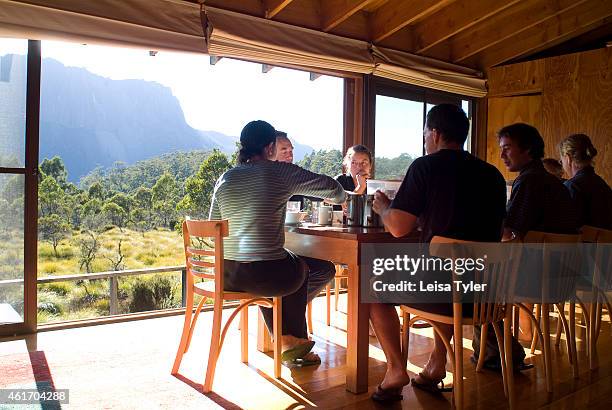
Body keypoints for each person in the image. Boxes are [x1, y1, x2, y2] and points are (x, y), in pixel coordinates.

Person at [369, 104, 508, 402]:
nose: (424, 141)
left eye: (424, 135)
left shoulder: (426, 166)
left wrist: (384, 209)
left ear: (434, 133)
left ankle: (395, 369)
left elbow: (398, 228)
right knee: (447, 275)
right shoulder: (493, 175)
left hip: (444, 294)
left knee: (371, 287)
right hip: (486, 297)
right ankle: (434, 366)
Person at [209, 120, 346, 364]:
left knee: (291, 267)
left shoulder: (226, 177)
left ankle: (287, 339)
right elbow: (334, 189)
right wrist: (342, 197)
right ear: (271, 147)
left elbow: (212, 228)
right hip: (264, 275)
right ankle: (291, 343)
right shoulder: (279, 171)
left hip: (227, 274)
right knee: (297, 268)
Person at [498, 123, 578, 345]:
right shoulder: (556, 184)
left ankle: (503, 350)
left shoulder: (529, 181)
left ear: (528, 149)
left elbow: (511, 233)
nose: (502, 154)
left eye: (507, 148)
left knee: (478, 279)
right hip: (563, 280)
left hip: (536, 280)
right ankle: (519, 339)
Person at [274, 131, 337, 304]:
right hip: (273, 254)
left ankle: (284, 304)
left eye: (291, 149)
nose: (290, 153)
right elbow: (332, 190)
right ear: (269, 151)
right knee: (323, 269)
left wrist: (332, 197)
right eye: (284, 149)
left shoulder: (294, 177)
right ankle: (285, 305)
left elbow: (320, 194)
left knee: (319, 266)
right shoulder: (285, 177)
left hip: (288, 245)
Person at [559, 134, 612, 230]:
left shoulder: (572, 186)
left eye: (561, 161)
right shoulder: (602, 184)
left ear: (568, 159)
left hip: (581, 244)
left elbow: (566, 228)